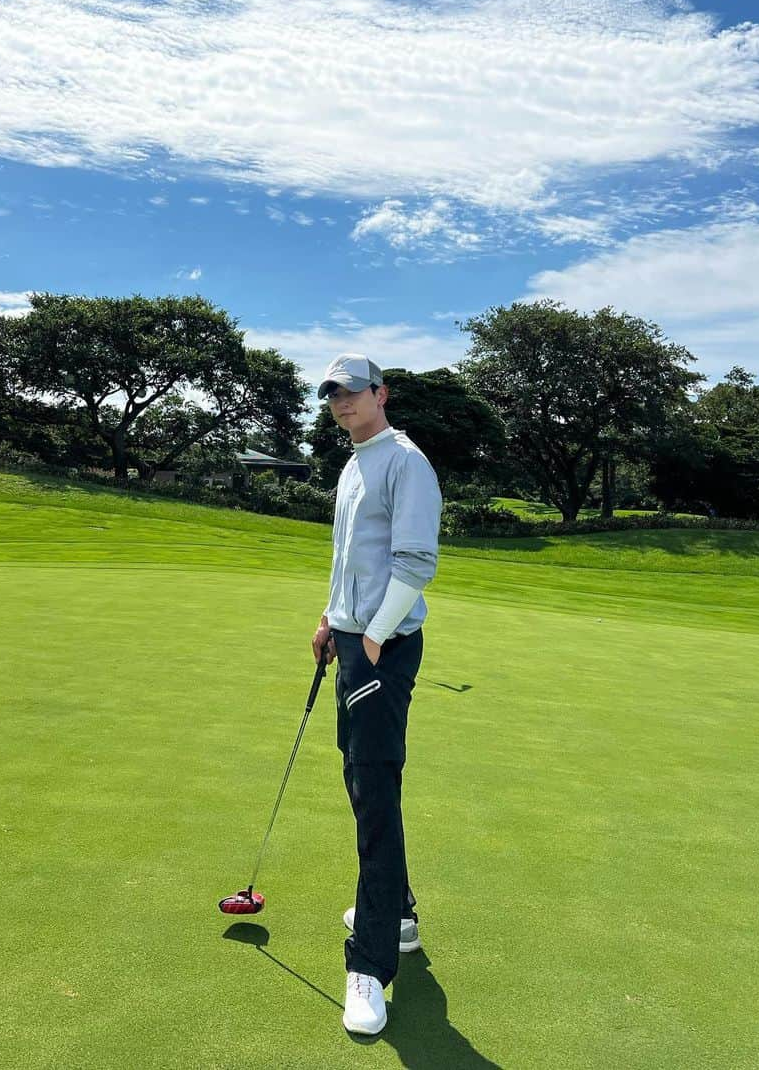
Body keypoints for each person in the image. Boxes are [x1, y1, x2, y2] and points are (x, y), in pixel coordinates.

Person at [311, 353, 443, 1037]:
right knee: (364, 782)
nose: (342, 402)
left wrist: (369, 639)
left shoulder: (404, 460)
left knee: (373, 785)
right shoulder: (356, 459)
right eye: (333, 393)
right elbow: (350, 557)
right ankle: (398, 914)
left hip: (382, 648)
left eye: (353, 392)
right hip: (355, 636)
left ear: (381, 393)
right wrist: (332, 620)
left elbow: (415, 560)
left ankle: (370, 965)